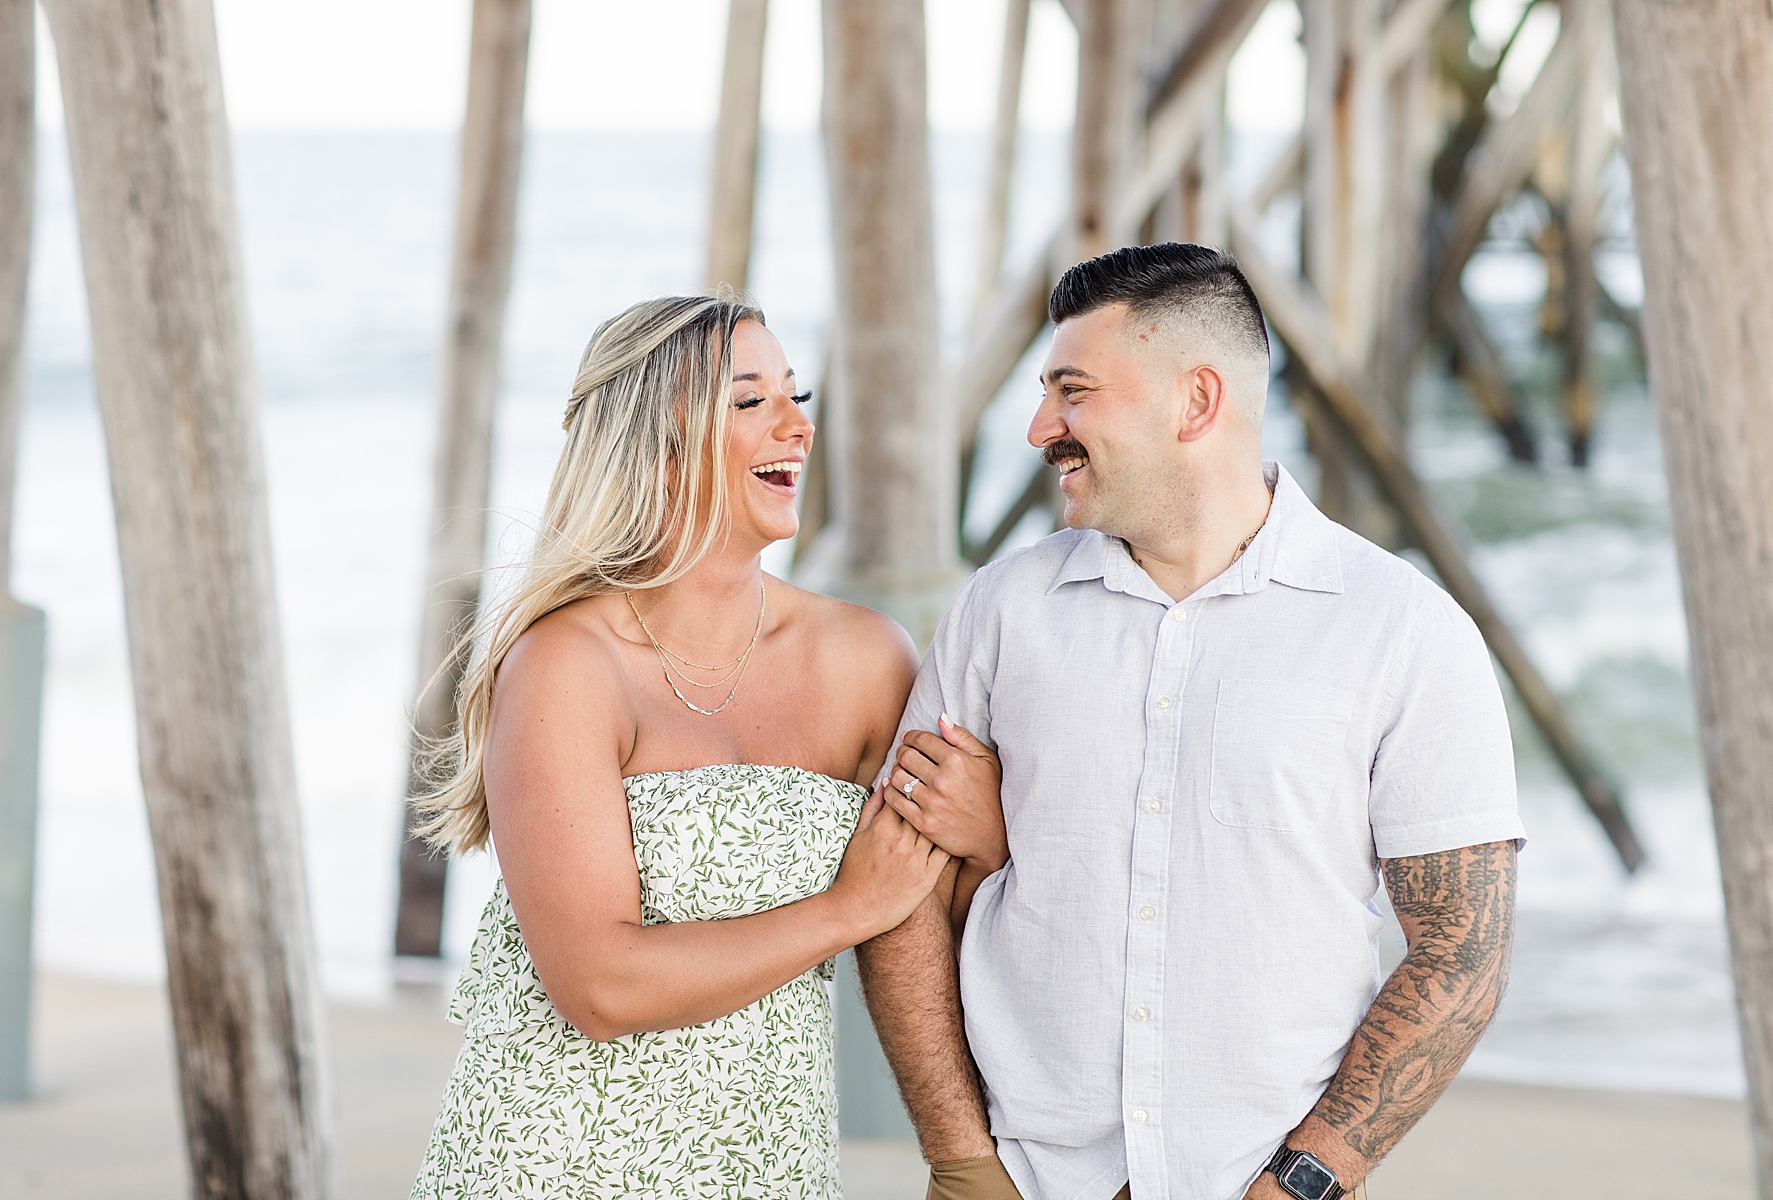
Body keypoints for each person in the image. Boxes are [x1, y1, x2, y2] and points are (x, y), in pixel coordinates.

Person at [860, 243, 1524, 1200]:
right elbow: (901, 896)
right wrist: (962, 1158)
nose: (1043, 425)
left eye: (1074, 391)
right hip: (1023, 1177)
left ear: (1197, 402)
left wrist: (1305, 1179)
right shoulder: (1002, 609)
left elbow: (1464, 944)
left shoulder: (1403, 629)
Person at [409, 294, 951, 1200]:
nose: (797, 426)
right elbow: (600, 987)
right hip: (555, 1165)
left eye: (797, 393)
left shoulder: (865, 657)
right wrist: (842, 912)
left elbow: (937, 901)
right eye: (750, 402)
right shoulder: (566, 665)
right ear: (657, 445)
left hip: (772, 1165)